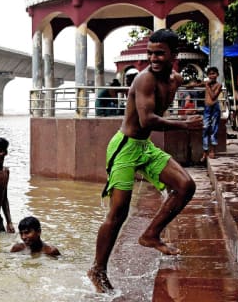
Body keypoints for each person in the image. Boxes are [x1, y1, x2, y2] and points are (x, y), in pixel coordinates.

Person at [87, 29, 203, 293]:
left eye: (160, 53)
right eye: (150, 52)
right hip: (125, 147)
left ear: (173, 55)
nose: (154, 58)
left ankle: (150, 234)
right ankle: (97, 269)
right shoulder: (144, 80)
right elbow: (146, 120)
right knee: (118, 214)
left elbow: (163, 106)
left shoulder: (176, 79)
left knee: (186, 186)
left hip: (144, 146)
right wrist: (184, 124)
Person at [200, 67, 222, 161]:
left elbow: (213, 97)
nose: (212, 75)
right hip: (207, 109)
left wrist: (207, 86)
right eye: (210, 74)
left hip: (215, 108)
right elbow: (194, 84)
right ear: (207, 75)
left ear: (217, 75)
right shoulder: (206, 83)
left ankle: (212, 151)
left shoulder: (218, 85)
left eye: (214, 73)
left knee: (214, 129)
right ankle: (205, 152)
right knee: (205, 129)